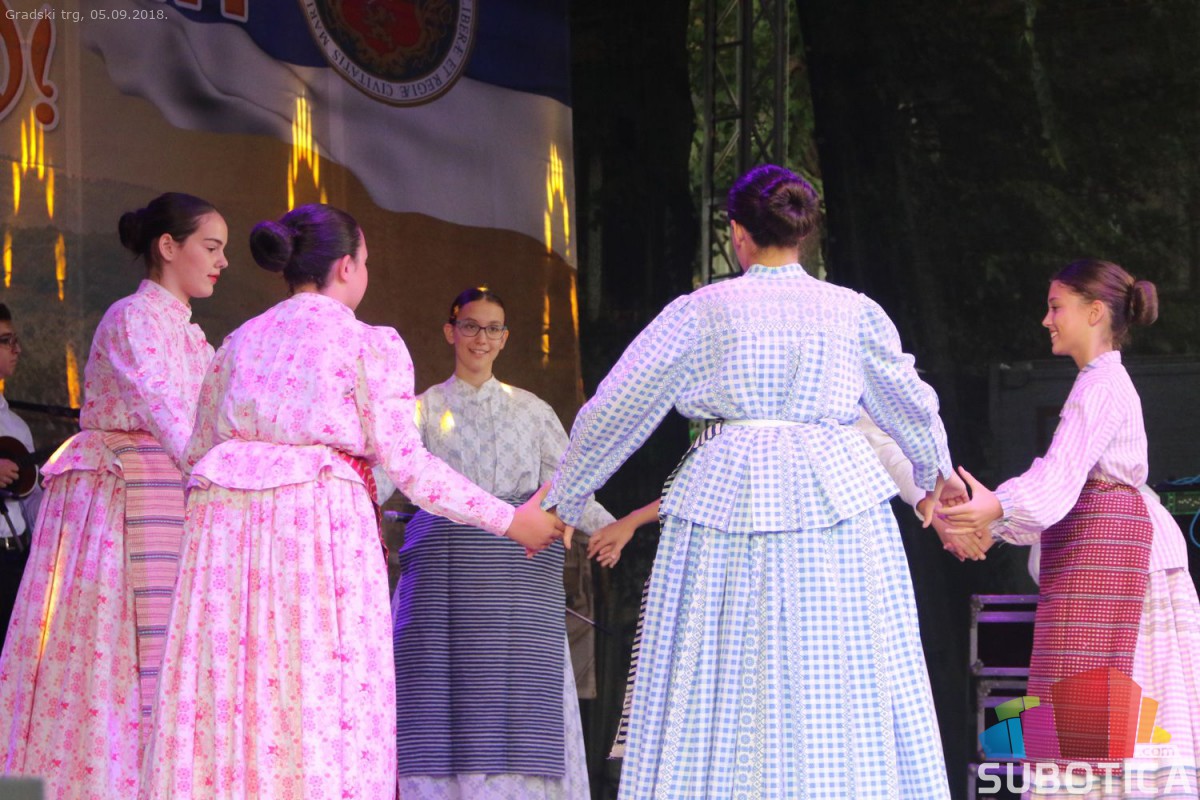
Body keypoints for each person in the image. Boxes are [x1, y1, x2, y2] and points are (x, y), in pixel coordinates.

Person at [542, 164, 959, 798]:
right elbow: (909, 400)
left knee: (722, 667)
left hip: (728, 490)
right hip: (837, 494)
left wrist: (565, 498)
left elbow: (619, 404)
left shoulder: (702, 311)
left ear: (737, 232)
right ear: (804, 234)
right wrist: (936, 474)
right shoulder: (853, 312)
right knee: (837, 668)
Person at [139, 204, 567, 800]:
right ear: (346, 267)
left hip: (226, 535)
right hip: (317, 528)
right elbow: (409, 465)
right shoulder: (369, 343)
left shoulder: (239, 340)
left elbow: (197, 451)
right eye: (365, 261)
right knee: (320, 694)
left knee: (236, 690)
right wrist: (510, 520)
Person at [0, 193, 228, 797]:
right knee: (103, 658)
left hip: (171, 501)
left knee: (159, 660)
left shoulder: (193, 337)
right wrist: (219, 474)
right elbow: (168, 412)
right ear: (168, 246)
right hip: (117, 505)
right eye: (211, 247)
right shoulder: (133, 319)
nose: (222, 262)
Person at [945, 259, 1200, 796]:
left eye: (1056, 307)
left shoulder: (1102, 385)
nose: (1047, 319)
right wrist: (996, 521)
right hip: (1107, 555)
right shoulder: (1097, 383)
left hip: (1121, 565)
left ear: (1094, 311)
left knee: (1107, 702)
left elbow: (1060, 476)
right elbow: (1065, 487)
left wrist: (996, 509)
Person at [393, 286, 628, 799]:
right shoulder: (420, 411)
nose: (481, 338)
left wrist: (613, 527)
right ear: (450, 331)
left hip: (520, 592)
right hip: (444, 592)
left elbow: (570, 487)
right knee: (441, 710)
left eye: (493, 328)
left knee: (521, 712)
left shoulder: (532, 411)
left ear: (505, 338)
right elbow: (390, 480)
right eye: (471, 326)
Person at [0, 304, 43, 651]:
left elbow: (32, 502)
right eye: (6, 340)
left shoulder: (17, 426)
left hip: (15, 558)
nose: (17, 349)